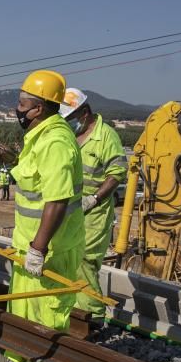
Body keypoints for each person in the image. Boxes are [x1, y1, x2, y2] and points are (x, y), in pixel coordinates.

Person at [5, 70, 84, 362]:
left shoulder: (55, 142)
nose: (18, 110)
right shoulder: (39, 137)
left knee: (48, 314)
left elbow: (57, 200)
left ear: (38, 109)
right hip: (29, 246)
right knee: (22, 312)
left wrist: (38, 249)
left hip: (50, 251)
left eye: (22, 104)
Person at [58, 88, 126, 321]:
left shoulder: (106, 137)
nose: (67, 123)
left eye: (70, 118)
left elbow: (116, 173)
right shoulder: (69, 136)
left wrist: (94, 198)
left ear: (84, 113)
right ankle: (74, 312)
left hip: (94, 212)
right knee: (68, 259)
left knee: (85, 261)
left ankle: (93, 317)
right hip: (70, 208)